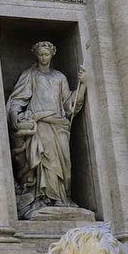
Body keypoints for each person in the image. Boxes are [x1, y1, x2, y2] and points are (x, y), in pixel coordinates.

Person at [6, 41, 86, 215]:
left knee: (63, 163)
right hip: (40, 124)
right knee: (43, 160)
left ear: (52, 55)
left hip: (59, 125)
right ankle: (42, 198)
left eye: (46, 54)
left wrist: (83, 85)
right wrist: (15, 116)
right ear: (36, 55)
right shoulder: (30, 75)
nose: (43, 57)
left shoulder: (60, 78)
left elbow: (69, 105)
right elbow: (18, 99)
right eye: (41, 54)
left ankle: (61, 197)